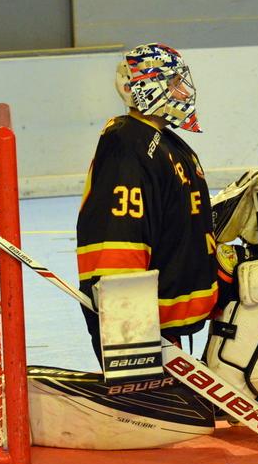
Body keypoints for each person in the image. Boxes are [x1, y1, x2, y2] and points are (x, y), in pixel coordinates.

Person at [76, 43, 217, 366]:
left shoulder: (167, 142)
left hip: (175, 292)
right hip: (144, 310)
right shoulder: (128, 145)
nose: (182, 92)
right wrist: (129, 327)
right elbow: (119, 234)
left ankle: (231, 372)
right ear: (141, 88)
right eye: (172, 83)